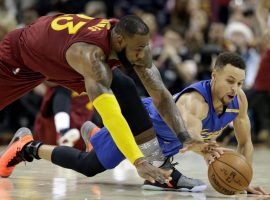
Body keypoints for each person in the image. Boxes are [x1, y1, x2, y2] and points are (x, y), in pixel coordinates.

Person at [0, 14, 209, 183]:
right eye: (138, 49)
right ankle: (22, 145)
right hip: (20, 57)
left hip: (56, 50)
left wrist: (185, 136)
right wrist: (137, 161)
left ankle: (160, 166)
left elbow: (161, 95)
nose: (142, 54)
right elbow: (112, 116)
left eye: (145, 47)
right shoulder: (91, 58)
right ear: (119, 41)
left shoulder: (129, 40)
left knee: (125, 87)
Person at [15, 52, 264, 194]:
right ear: (214, 76)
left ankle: (98, 137)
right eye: (230, 81)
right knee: (89, 166)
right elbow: (189, 138)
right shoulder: (194, 102)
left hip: (162, 146)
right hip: (140, 127)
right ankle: (28, 147)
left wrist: (245, 181)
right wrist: (208, 153)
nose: (235, 88)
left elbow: (246, 144)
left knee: (164, 177)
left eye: (240, 83)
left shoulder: (238, 101)